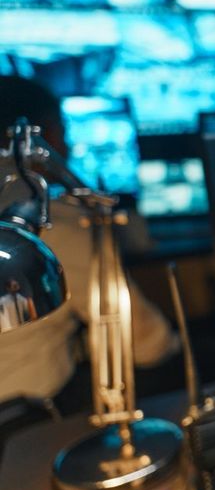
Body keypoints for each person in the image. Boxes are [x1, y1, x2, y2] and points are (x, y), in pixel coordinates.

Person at [0, 76, 178, 406]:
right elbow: (148, 345)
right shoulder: (51, 225)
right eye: (64, 134)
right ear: (46, 137)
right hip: (31, 420)